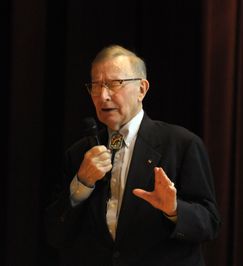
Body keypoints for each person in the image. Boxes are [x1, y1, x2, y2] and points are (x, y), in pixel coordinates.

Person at [45, 44, 221, 266]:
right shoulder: (79, 153)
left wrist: (174, 209)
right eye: (96, 86)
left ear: (142, 89)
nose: (103, 95)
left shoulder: (181, 144)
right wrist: (82, 184)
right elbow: (55, 234)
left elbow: (210, 223)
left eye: (114, 83)